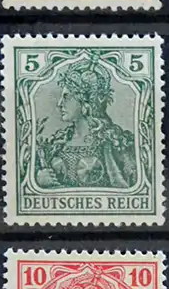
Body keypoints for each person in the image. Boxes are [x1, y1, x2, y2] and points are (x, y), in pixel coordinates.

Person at [33, 51, 140, 192]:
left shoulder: (114, 144)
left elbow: (126, 189)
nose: (59, 104)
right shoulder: (58, 143)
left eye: (66, 97)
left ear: (85, 104)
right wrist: (40, 180)